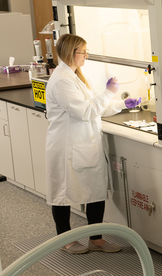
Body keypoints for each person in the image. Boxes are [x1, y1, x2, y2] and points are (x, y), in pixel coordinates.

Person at [46, 34, 141, 254]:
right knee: (63, 193)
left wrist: (120, 104)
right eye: (83, 51)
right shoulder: (62, 80)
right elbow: (86, 111)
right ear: (71, 53)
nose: (86, 55)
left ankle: (96, 240)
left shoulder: (76, 75)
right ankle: (66, 240)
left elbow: (95, 107)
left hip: (85, 144)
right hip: (68, 147)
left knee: (95, 191)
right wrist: (109, 92)